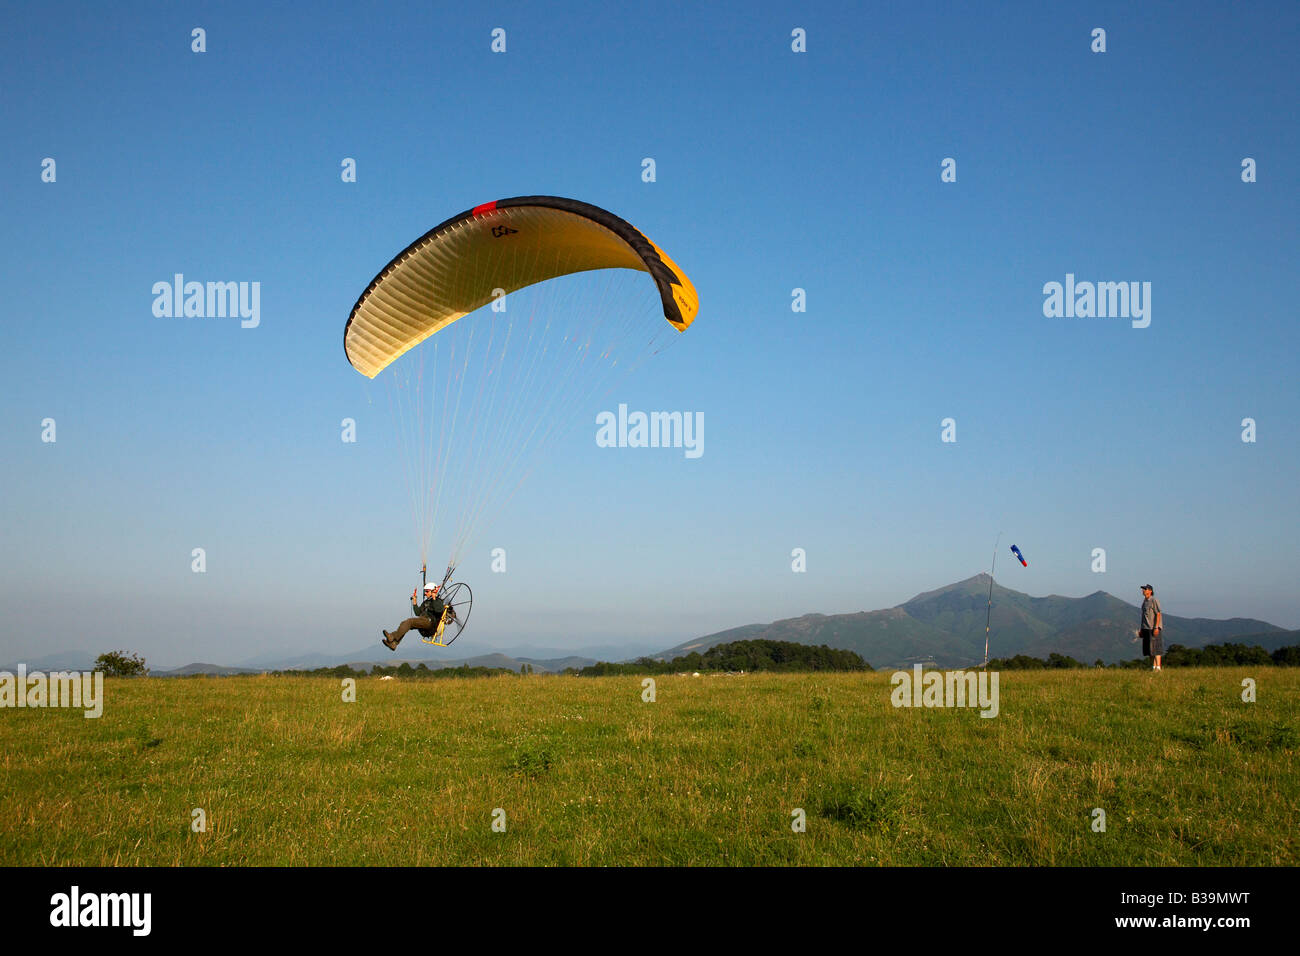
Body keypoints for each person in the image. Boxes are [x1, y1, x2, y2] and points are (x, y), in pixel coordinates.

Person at [382, 583, 454, 650]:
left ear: (433, 591)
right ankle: (394, 644)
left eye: (427, 591)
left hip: (430, 623)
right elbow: (418, 612)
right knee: (406, 624)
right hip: (424, 622)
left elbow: (439, 610)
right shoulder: (426, 602)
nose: (425, 593)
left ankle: (392, 637)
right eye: (425, 591)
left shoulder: (438, 601)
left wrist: (434, 598)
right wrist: (415, 602)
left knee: (409, 622)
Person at [1137, 584, 1164, 671]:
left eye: (1145, 589)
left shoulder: (1154, 600)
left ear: (1150, 591)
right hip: (1146, 628)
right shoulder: (1144, 601)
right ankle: (1153, 667)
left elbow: (1158, 614)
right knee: (1149, 649)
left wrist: (1156, 627)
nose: (1143, 591)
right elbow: (1143, 616)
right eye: (1143, 589)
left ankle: (1158, 668)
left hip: (1153, 627)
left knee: (1156, 648)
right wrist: (1141, 629)